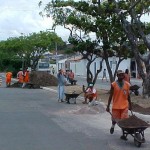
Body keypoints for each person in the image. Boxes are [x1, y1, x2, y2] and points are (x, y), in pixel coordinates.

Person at [106, 70, 132, 140]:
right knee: (115, 119)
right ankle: (112, 126)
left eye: (122, 75)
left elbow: (128, 95)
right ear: (117, 76)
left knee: (124, 121)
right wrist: (108, 106)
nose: (121, 76)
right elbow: (111, 96)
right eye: (120, 75)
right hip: (116, 105)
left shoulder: (127, 84)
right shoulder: (113, 84)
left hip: (124, 105)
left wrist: (130, 104)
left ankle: (123, 135)